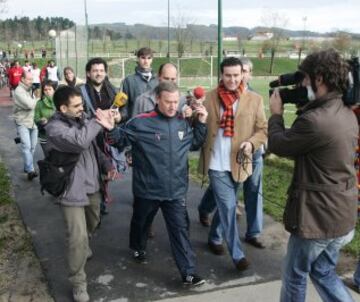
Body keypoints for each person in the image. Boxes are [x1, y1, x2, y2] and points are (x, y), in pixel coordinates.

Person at [268, 48, 358, 301]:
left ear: (318, 79)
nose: (302, 83)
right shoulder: (346, 112)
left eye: (304, 78)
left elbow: (279, 144)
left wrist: (276, 114)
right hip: (342, 215)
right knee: (323, 271)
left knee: (295, 275)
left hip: (318, 219)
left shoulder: (315, 121)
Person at [103, 81, 208, 286]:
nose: (172, 106)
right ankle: (138, 247)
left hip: (175, 191)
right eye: (168, 101)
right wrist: (112, 127)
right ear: (157, 99)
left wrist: (202, 123)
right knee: (141, 223)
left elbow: (194, 143)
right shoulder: (140, 122)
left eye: (175, 102)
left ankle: (188, 272)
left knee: (180, 230)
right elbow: (120, 140)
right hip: (147, 190)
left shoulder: (183, 122)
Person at [45, 86, 116, 302]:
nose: (81, 109)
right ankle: (78, 283)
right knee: (77, 237)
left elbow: (92, 147)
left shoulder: (83, 118)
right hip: (69, 188)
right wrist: (98, 121)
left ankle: (85, 243)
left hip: (91, 183)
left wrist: (107, 164)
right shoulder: (54, 128)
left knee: (93, 221)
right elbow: (79, 141)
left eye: (82, 105)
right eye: (76, 106)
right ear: (62, 107)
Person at [197, 57, 267, 271]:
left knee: (224, 206)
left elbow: (263, 130)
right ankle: (237, 255)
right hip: (216, 164)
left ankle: (214, 238)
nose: (232, 79)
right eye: (228, 75)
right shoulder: (209, 98)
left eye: (236, 75)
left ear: (242, 74)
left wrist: (251, 144)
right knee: (228, 205)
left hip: (240, 163)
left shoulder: (255, 99)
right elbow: (197, 127)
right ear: (222, 75)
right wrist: (195, 117)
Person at [79, 57, 127, 216]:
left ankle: (102, 193)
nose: (98, 74)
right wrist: (96, 119)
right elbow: (78, 115)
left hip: (108, 138)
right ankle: (97, 201)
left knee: (108, 170)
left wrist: (119, 118)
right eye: (95, 71)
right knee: (93, 171)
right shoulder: (81, 92)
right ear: (88, 73)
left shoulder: (113, 91)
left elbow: (124, 112)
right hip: (90, 139)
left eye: (101, 70)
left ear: (105, 72)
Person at [13, 71, 39, 180]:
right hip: (22, 122)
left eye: (32, 79)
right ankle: (31, 170)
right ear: (22, 79)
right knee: (26, 146)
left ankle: (27, 168)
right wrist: (37, 98)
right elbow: (30, 104)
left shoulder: (30, 89)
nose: (31, 81)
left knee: (32, 147)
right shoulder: (19, 91)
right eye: (28, 79)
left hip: (33, 122)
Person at [122, 47, 158, 117]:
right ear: (138, 59)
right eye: (143, 58)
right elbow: (124, 107)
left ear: (152, 60)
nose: (146, 61)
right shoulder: (128, 80)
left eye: (149, 58)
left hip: (155, 122)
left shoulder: (158, 80)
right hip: (135, 122)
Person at [34, 80, 57, 157]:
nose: (47, 92)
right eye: (45, 90)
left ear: (54, 90)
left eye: (50, 89)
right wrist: (41, 121)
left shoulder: (59, 101)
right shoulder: (39, 103)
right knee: (48, 157)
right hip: (44, 135)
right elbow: (36, 118)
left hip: (58, 135)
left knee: (58, 158)